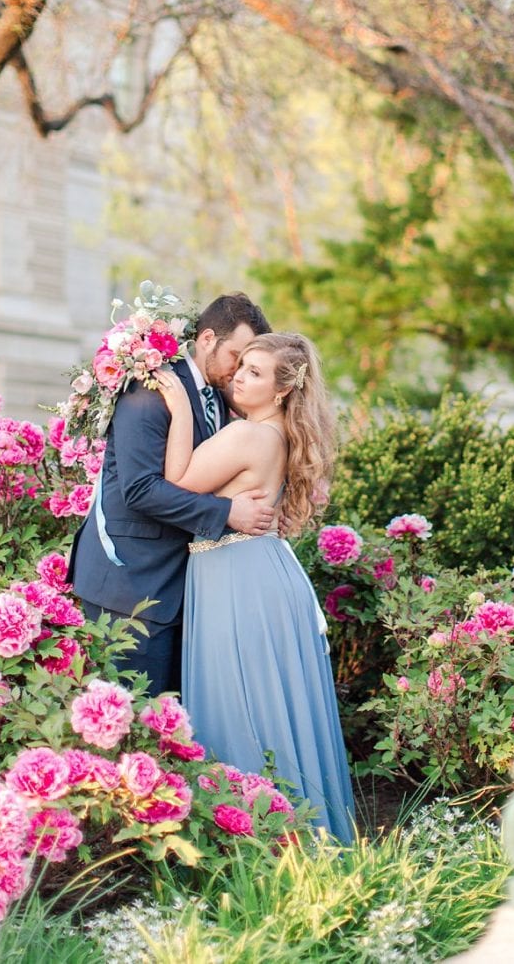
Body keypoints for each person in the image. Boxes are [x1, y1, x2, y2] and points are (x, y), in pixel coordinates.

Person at [158, 332, 357, 843]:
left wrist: (179, 408)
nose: (239, 377)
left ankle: (267, 846)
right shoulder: (270, 434)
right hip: (251, 571)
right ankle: (298, 840)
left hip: (237, 579)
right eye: (240, 366)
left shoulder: (250, 435)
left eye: (254, 373)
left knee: (243, 707)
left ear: (282, 391)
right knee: (266, 705)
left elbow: (175, 484)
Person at [67, 293, 278, 696]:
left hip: (178, 585)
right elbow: (140, 490)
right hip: (130, 586)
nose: (238, 371)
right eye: (236, 355)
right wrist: (227, 512)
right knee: (134, 721)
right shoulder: (150, 389)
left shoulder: (215, 394)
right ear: (207, 339)